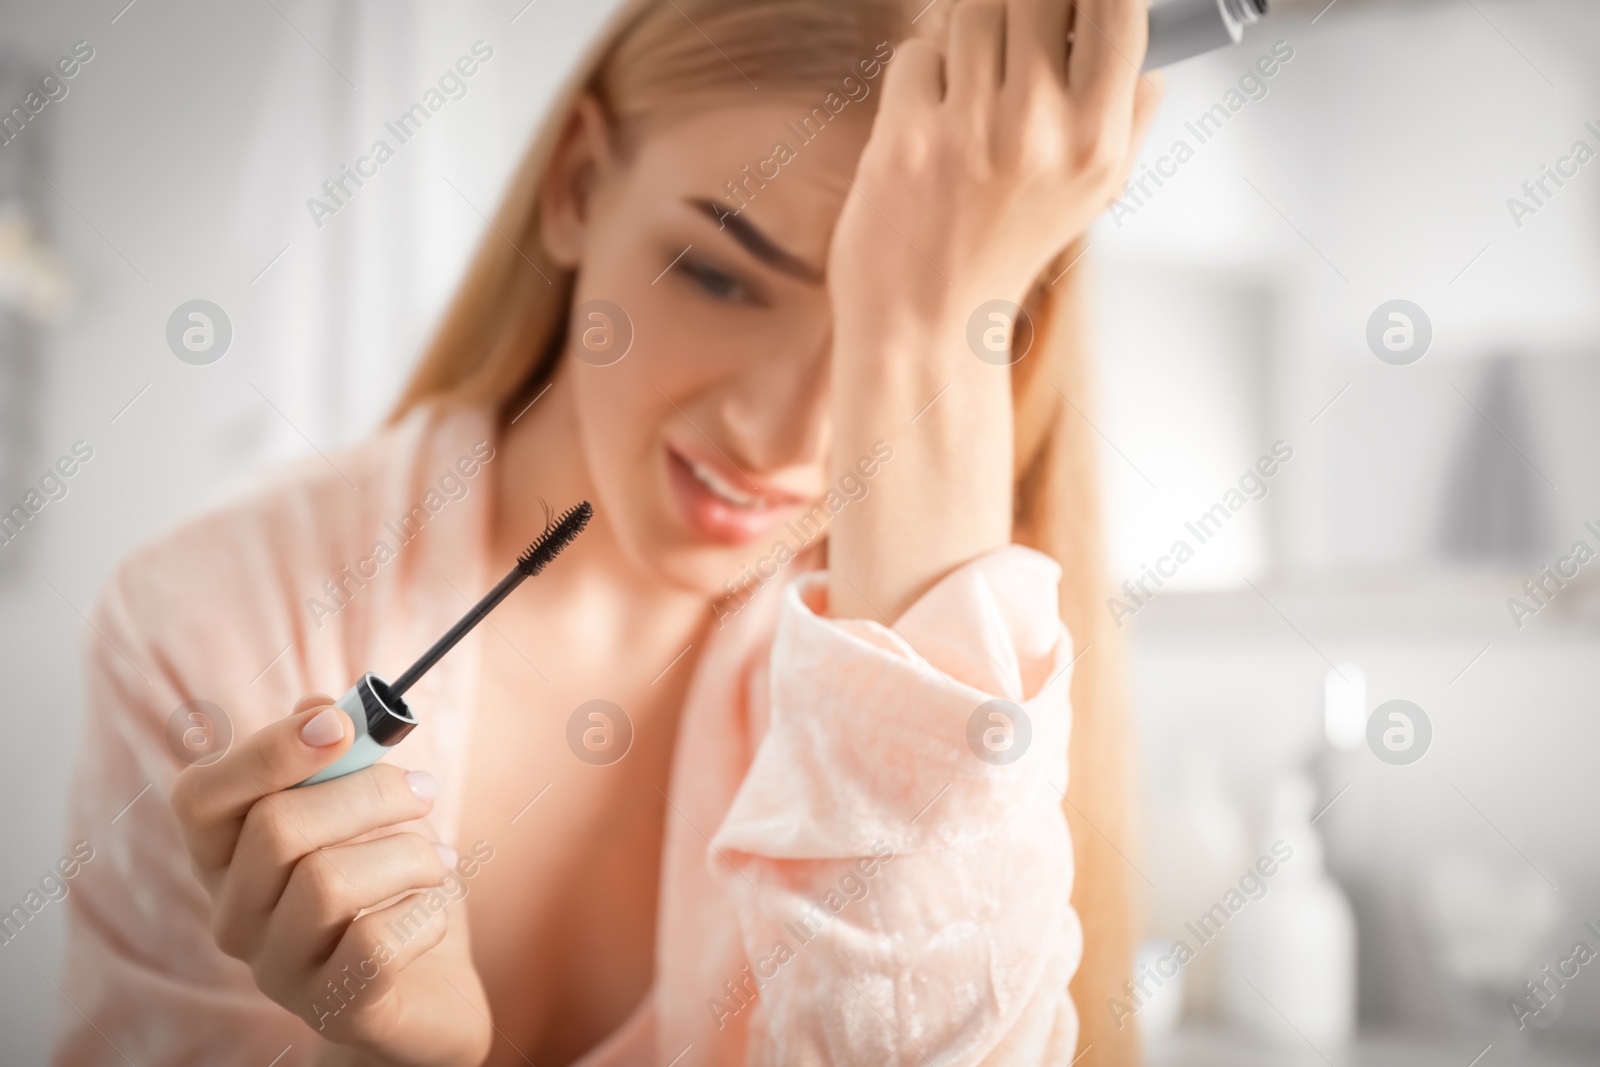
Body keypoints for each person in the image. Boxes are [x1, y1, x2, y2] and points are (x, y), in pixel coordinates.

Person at [53, 0, 1161, 1063]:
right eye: (723, 276)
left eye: (887, 345)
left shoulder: (962, 664)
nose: (777, 437)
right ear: (580, 182)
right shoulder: (211, 617)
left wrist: (927, 331)